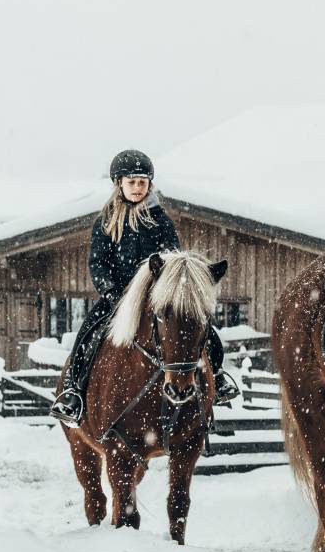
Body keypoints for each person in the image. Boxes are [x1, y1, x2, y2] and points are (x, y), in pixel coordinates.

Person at [50, 149, 240, 424]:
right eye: (132, 182)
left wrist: (164, 291)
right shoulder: (106, 221)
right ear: (119, 184)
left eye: (142, 182)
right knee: (88, 334)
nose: (138, 188)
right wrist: (112, 293)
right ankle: (73, 391)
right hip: (118, 298)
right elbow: (98, 264)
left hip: (157, 298)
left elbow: (173, 261)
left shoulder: (160, 220)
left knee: (203, 331)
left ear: (149, 185)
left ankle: (218, 379)